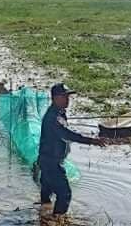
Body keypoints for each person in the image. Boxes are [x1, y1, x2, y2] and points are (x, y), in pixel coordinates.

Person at [38, 83, 108, 216]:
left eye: (68, 96)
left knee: (46, 196)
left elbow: (66, 133)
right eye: (64, 96)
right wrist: (91, 140)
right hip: (51, 163)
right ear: (55, 98)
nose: (67, 99)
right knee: (65, 194)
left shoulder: (58, 113)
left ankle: (43, 222)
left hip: (47, 161)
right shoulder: (53, 118)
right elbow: (66, 135)